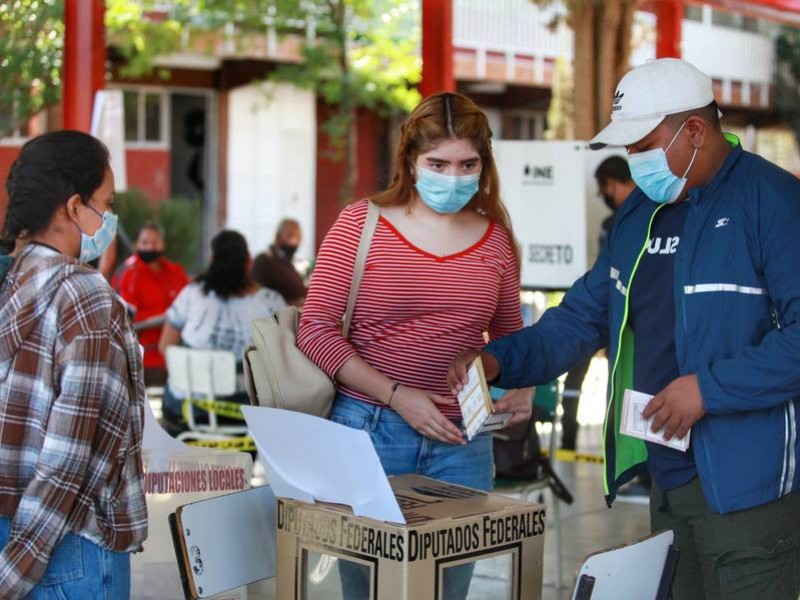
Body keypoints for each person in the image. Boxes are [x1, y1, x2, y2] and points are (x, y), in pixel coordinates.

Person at [449, 58, 800, 600]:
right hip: (667, 474)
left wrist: (708, 389)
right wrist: (500, 359)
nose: (631, 159)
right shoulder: (641, 213)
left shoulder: (773, 201)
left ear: (696, 131)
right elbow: (584, 315)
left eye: (641, 144)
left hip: (749, 487)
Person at [297, 92, 533, 600]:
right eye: (438, 163)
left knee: (447, 589)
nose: (453, 176)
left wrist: (523, 387)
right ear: (410, 160)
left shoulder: (495, 240)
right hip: (370, 432)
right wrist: (396, 394)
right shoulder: (362, 224)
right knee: (368, 588)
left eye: (468, 163)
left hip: (464, 444)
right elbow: (315, 329)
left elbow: (511, 338)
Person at [0, 131, 147, 598]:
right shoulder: (85, 296)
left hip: (15, 535)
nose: (107, 218)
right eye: (105, 203)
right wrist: (14, 572)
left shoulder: (11, 280)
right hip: (68, 551)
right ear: (73, 205)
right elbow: (71, 462)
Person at [159, 230, 286, 423]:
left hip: (186, 411)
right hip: (248, 414)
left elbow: (165, 346)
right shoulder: (272, 302)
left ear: (212, 259)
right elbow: (284, 359)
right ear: (249, 261)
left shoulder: (191, 294)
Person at [561, 155, 635, 451]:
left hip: (629, 319)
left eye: (605, 187)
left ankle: (632, 463)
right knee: (576, 379)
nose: (604, 195)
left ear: (613, 181)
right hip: (603, 310)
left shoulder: (646, 217)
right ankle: (568, 442)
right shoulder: (611, 222)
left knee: (625, 387)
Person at [113, 222, 189, 386]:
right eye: (145, 242)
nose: (150, 247)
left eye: (155, 242)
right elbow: (125, 318)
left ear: (163, 244)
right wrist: (170, 315)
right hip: (144, 361)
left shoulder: (176, 271)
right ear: (136, 245)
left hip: (179, 356)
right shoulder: (128, 275)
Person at [251, 218, 308, 306]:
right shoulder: (264, 260)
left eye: (298, 237)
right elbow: (258, 297)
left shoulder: (288, 262)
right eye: (290, 235)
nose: (295, 241)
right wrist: (290, 304)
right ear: (278, 236)